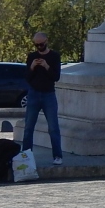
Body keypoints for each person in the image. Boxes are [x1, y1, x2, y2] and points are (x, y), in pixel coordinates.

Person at [22, 32, 64, 165]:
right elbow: (27, 77)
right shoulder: (32, 56)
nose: (39, 47)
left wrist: (46, 66)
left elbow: (56, 77)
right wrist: (32, 67)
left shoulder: (54, 56)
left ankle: (57, 156)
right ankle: (26, 155)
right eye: (36, 45)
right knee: (28, 127)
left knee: (53, 127)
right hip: (34, 93)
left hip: (48, 94)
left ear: (46, 42)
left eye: (41, 44)